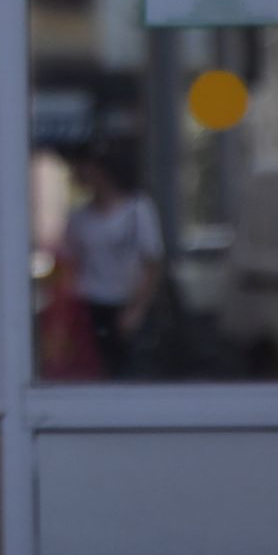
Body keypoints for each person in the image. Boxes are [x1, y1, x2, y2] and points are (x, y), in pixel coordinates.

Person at [60, 141, 165, 380]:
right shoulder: (79, 218)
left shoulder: (138, 209)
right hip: (90, 304)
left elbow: (152, 263)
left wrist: (137, 309)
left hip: (128, 303)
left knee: (130, 369)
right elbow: (70, 261)